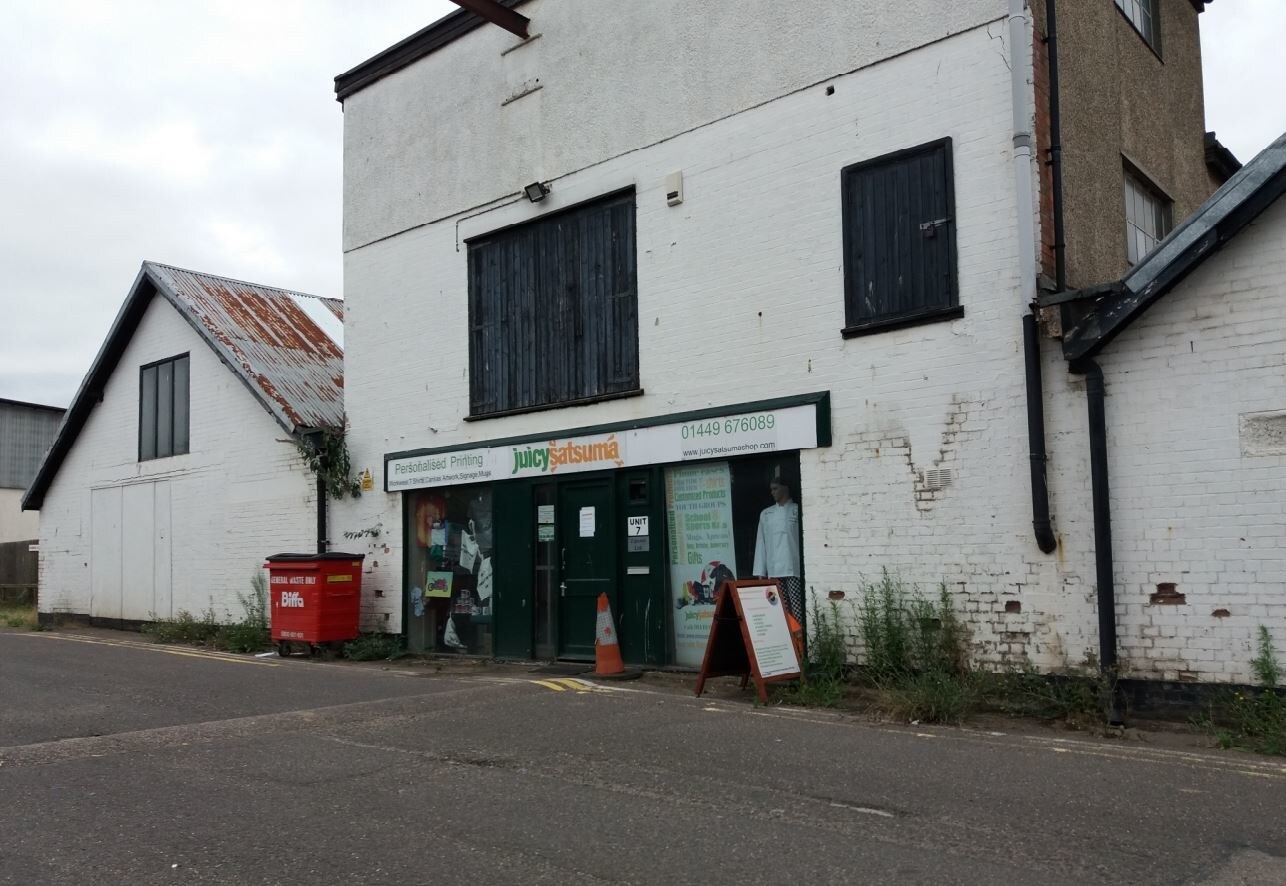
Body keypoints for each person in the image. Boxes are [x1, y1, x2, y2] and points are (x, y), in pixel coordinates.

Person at [752, 474, 803, 624]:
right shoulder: (766, 514)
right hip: (774, 570)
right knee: (781, 610)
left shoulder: (796, 510)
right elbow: (761, 542)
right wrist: (761, 570)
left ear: (785, 488)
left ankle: (800, 642)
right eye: (771, 489)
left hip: (793, 569)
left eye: (775, 488)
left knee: (797, 608)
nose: (772, 492)